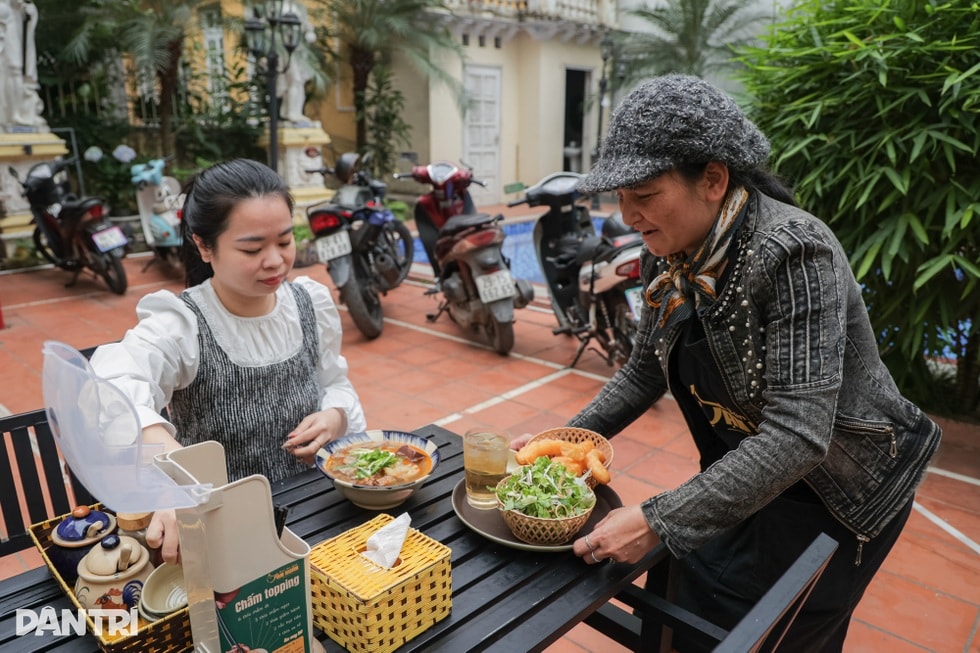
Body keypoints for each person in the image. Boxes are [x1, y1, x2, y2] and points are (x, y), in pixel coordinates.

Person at [557, 74, 941, 652]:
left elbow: (795, 435)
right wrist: (560, 444)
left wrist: (657, 519)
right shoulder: (665, 252)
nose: (628, 214)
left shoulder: (793, 253)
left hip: (835, 496)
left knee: (772, 639)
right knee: (696, 613)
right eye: (620, 196)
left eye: (644, 193)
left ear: (713, 178)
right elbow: (643, 370)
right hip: (744, 476)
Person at [90, 158, 367, 563]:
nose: (274, 260)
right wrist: (172, 474)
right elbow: (109, 383)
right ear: (203, 245)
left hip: (317, 514)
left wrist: (336, 416)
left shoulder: (311, 302)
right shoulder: (182, 324)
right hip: (224, 533)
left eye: (285, 241)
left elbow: (334, 382)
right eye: (252, 248)